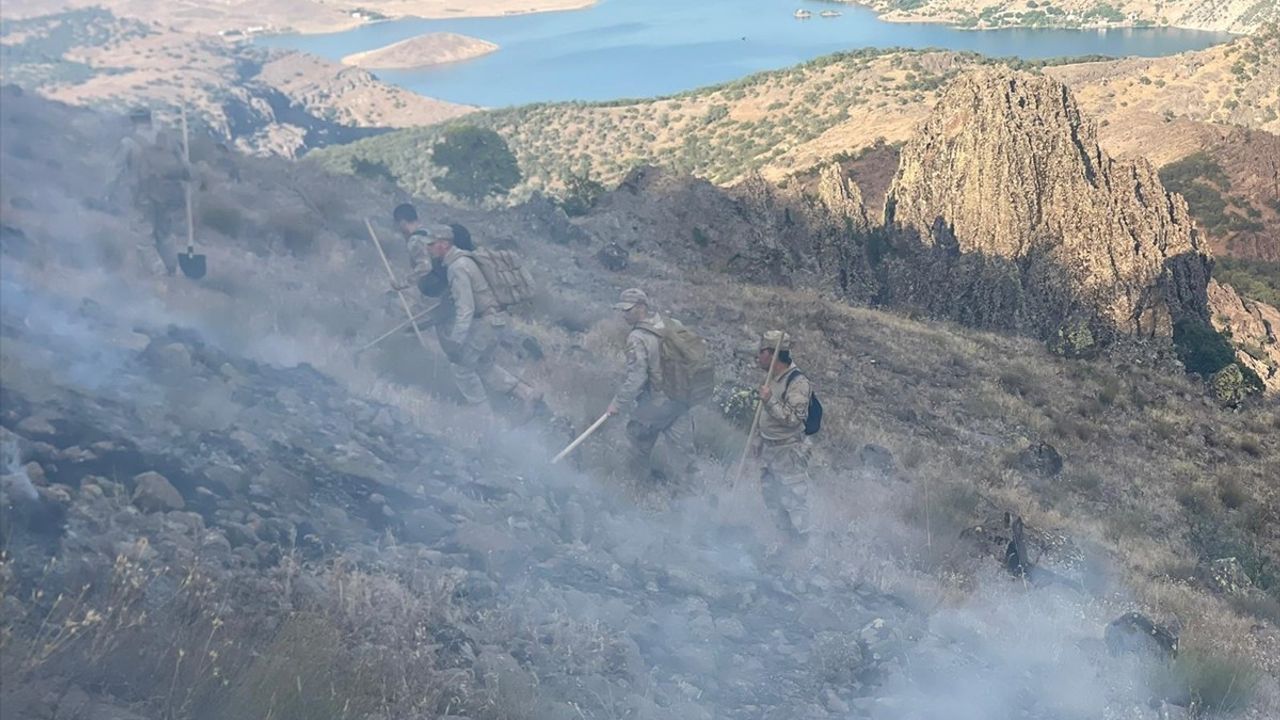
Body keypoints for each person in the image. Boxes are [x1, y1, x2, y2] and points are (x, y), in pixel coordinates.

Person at [422, 223, 541, 415]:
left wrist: (456, 341)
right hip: (496, 322)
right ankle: (526, 393)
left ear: (444, 244)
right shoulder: (465, 261)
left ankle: (485, 418)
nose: (428, 249)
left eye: (431, 244)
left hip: (485, 324)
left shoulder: (456, 267)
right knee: (484, 365)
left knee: (461, 368)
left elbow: (465, 309)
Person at [606, 288, 693, 484]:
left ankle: (639, 494)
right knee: (684, 460)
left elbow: (636, 377)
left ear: (641, 307)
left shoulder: (637, 337)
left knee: (636, 445)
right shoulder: (672, 325)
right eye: (623, 310)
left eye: (628, 310)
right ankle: (693, 502)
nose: (624, 314)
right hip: (680, 401)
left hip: (656, 404)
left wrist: (617, 404)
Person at [752, 331, 813, 544]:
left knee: (794, 503)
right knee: (772, 499)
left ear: (771, 353)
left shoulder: (798, 382)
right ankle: (786, 545)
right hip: (769, 449)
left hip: (788, 452)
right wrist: (758, 439)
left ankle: (803, 554)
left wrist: (769, 401)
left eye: (761, 352)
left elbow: (794, 419)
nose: (757, 357)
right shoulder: (771, 377)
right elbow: (765, 414)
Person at [113, 108, 190, 274]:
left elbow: (115, 170)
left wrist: (106, 194)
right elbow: (186, 169)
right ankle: (172, 267)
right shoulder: (168, 140)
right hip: (169, 194)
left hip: (143, 195)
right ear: (149, 119)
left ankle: (157, 271)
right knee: (165, 233)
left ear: (133, 120)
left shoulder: (129, 142)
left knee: (144, 233)